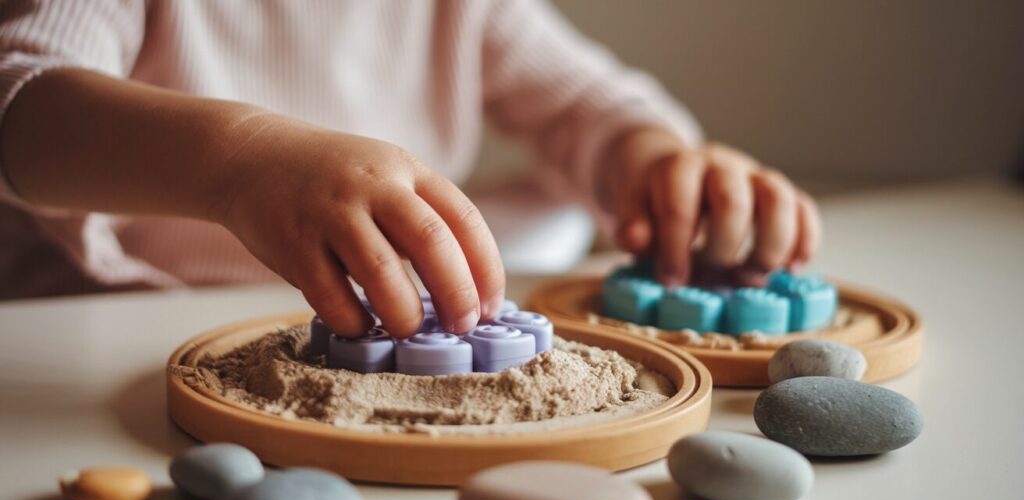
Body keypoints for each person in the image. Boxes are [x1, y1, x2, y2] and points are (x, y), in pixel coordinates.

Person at [0, 0, 820, 339]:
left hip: (377, 336)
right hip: (104, 330)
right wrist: (240, 161)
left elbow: (591, 111)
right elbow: (25, 110)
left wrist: (663, 166)